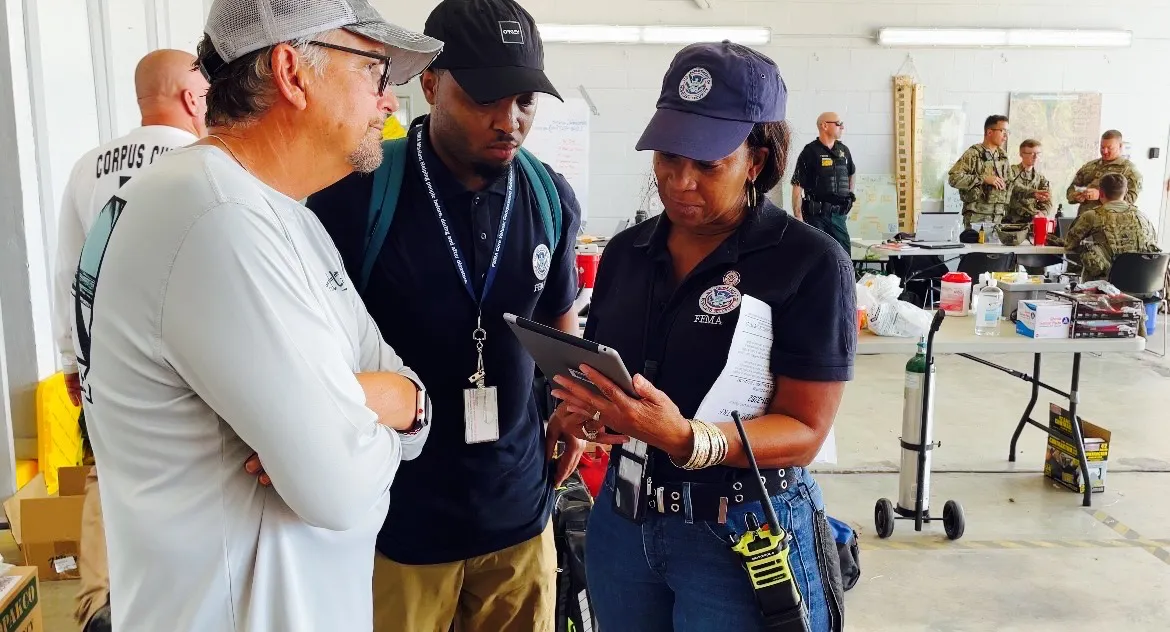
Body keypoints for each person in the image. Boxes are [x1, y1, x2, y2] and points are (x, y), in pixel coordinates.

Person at [70, 1, 444, 630]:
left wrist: (384, 404)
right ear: (292, 72)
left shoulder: (283, 215)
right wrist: (368, 413)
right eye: (377, 72)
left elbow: (407, 396)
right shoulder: (216, 218)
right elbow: (339, 491)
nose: (390, 102)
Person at [550, 41, 853, 632]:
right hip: (625, 522)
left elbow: (805, 430)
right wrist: (591, 416)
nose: (680, 180)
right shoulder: (627, 254)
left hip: (741, 532)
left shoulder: (808, 263)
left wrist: (689, 439)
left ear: (758, 160)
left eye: (708, 163)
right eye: (668, 155)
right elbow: (620, 378)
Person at [306, 1, 581, 630]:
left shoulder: (547, 196)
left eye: (525, 102)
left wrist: (571, 406)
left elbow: (559, 322)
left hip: (518, 517)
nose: (509, 121)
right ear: (429, 83)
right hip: (399, 523)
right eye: (487, 97)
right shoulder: (357, 197)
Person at [50, 48, 208, 632]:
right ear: (194, 98)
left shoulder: (87, 167)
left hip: (105, 364)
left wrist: (71, 357)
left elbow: (69, 270)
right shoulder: (206, 159)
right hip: (187, 365)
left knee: (106, 477)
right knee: (193, 478)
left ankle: (100, 603)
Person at [1054, 173, 1158, 281]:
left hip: (1106, 288)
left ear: (1101, 193)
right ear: (1126, 191)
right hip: (1143, 285)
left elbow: (1070, 244)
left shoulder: (1093, 216)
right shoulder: (1143, 217)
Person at [791, 112, 855, 252]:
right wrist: (799, 217)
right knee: (816, 255)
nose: (842, 127)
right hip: (816, 217)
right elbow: (797, 185)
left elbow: (851, 174)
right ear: (824, 125)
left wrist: (850, 196)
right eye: (839, 124)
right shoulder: (810, 152)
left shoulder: (844, 151)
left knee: (844, 255)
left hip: (838, 216)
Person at [948, 115, 1014, 228]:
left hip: (998, 219)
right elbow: (953, 178)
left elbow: (1010, 185)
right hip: (976, 220)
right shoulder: (973, 154)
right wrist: (983, 179)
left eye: (1007, 131)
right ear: (989, 132)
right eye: (1002, 131)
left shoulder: (1002, 156)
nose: (1006, 135)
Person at [1067, 130, 1143, 215]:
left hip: (1109, 223)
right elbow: (1071, 189)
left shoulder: (1129, 170)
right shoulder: (1089, 166)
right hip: (1084, 222)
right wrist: (1076, 196)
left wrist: (1101, 196)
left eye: (1109, 148)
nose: (1105, 151)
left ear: (1120, 146)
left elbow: (1130, 199)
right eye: (1102, 147)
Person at [1005, 139, 1052, 224]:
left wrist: (1041, 213)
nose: (1035, 157)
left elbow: (1047, 201)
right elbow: (1013, 186)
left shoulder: (1041, 179)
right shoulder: (1011, 172)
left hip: (1031, 222)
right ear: (1021, 154)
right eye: (1031, 153)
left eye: (1038, 154)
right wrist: (1033, 193)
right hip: (1011, 222)